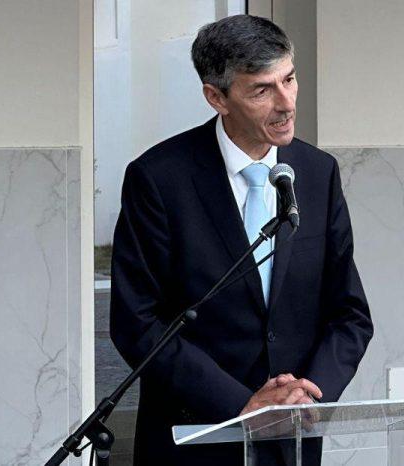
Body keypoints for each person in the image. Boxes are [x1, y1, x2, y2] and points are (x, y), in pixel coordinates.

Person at [110, 14, 373, 466]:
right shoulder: (158, 179)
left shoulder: (318, 173)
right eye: (262, 90)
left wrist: (307, 395)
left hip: (291, 441)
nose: (286, 103)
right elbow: (137, 323)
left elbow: (349, 313)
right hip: (194, 438)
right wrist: (240, 405)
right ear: (217, 97)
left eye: (289, 79)